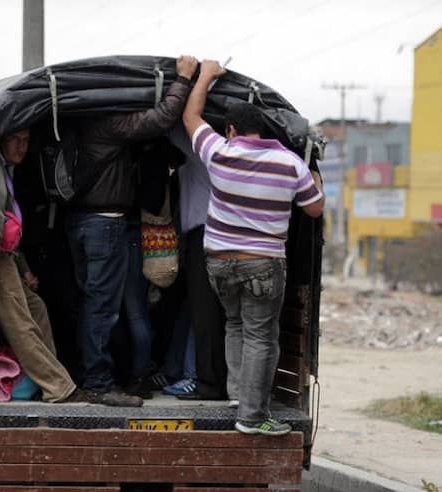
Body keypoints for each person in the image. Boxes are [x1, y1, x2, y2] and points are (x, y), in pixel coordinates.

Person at [183, 60, 324, 436]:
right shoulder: (289, 163)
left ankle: (236, 394)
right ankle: (251, 415)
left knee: (234, 324)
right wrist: (315, 178)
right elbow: (314, 208)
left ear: (230, 129)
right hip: (262, 264)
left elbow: (191, 116)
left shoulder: (219, 153)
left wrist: (206, 76)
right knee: (261, 335)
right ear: (261, 131)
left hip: (219, 262)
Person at [66, 54, 199, 407]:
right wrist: (183, 80)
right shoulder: (108, 123)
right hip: (106, 224)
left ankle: (93, 374)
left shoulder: (73, 124)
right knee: (104, 309)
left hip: (80, 223)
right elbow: (160, 120)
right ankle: (98, 382)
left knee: (91, 303)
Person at [0, 129, 94, 405]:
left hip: (7, 258)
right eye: (15, 139)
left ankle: (54, 380)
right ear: (2, 139)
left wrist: (24, 268)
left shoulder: (5, 168)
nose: (21, 147)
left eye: (26, 140)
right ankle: (58, 388)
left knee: (37, 309)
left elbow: (9, 226)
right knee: (22, 325)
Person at [166, 125, 229, 402]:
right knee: (208, 313)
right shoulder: (228, 156)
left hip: (203, 236)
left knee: (205, 314)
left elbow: (171, 127)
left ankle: (208, 383)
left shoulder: (204, 151)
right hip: (220, 237)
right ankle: (209, 378)